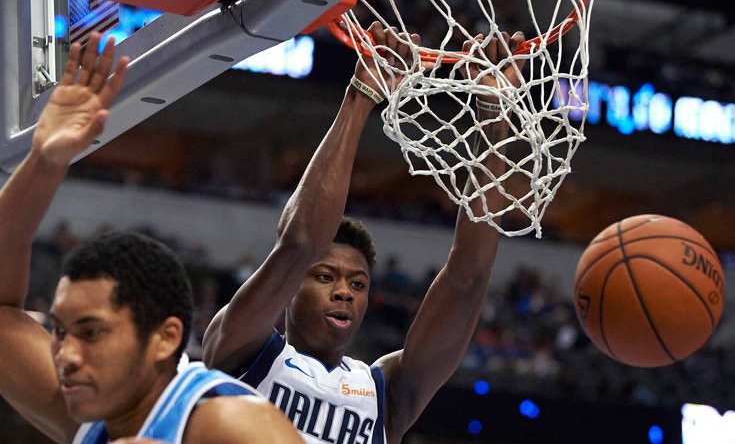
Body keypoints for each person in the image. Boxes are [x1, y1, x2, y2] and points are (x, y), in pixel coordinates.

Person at [203, 23, 527, 444]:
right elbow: (300, 243)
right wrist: (361, 98)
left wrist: (493, 119)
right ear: (289, 289)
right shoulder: (243, 350)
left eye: (358, 284)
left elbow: (467, 280)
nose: (344, 293)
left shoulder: (383, 392)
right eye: (325, 276)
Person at [0, 33, 303, 444]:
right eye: (60, 331)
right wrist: (44, 160)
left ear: (166, 338)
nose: (66, 355)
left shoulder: (228, 422)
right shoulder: (94, 413)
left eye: (91, 333)